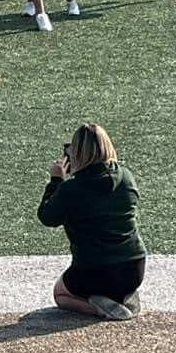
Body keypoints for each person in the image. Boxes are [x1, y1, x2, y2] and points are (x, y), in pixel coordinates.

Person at [37, 123, 146, 322]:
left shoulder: (71, 189)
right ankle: (122, 296)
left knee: (60, 293)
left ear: (77, 154)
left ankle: (100, 308)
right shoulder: (127, 177)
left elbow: (47, 217)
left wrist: (55, 181)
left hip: (94, 271)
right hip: (134, 267)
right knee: (114, 278)